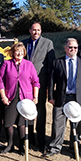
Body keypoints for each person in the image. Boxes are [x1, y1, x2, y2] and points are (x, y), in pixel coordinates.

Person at [45, 38, 81, 157]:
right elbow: (51, 81)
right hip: (61, 98)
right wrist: (51, 96)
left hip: (79, 99)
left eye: (75, 48)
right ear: (65, 48)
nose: (73, 50)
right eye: (70, 47)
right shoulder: (57, 62)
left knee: (77, 124)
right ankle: (55, 147)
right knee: (58, 124)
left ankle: (74, 147)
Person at [0, 42, 40, 155]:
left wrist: (35, 97)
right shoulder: (7, 64)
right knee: (8, 122)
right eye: (17, 51)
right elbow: (0, 80)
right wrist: (3, 96)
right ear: (13, 52)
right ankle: (10, 144)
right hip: (10, 96)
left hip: (25, 98)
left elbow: (36, 82)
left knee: (21, 123)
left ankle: (22, 146)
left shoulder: (29, 65)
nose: (19, 53)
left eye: (21, 51)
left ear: (24, 53)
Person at [22, 22, 55, 153]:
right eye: (34, 30)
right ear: (30, 30)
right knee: (27, 110)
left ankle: (41, 141)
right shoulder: (23, 43)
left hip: (41, 83)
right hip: (25, 84)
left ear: (41, 31)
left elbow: (51, 65)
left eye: (38, 30)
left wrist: (49, 86)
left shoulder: (48, 43)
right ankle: (29, 139)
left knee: (40, 112)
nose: (36, 32)